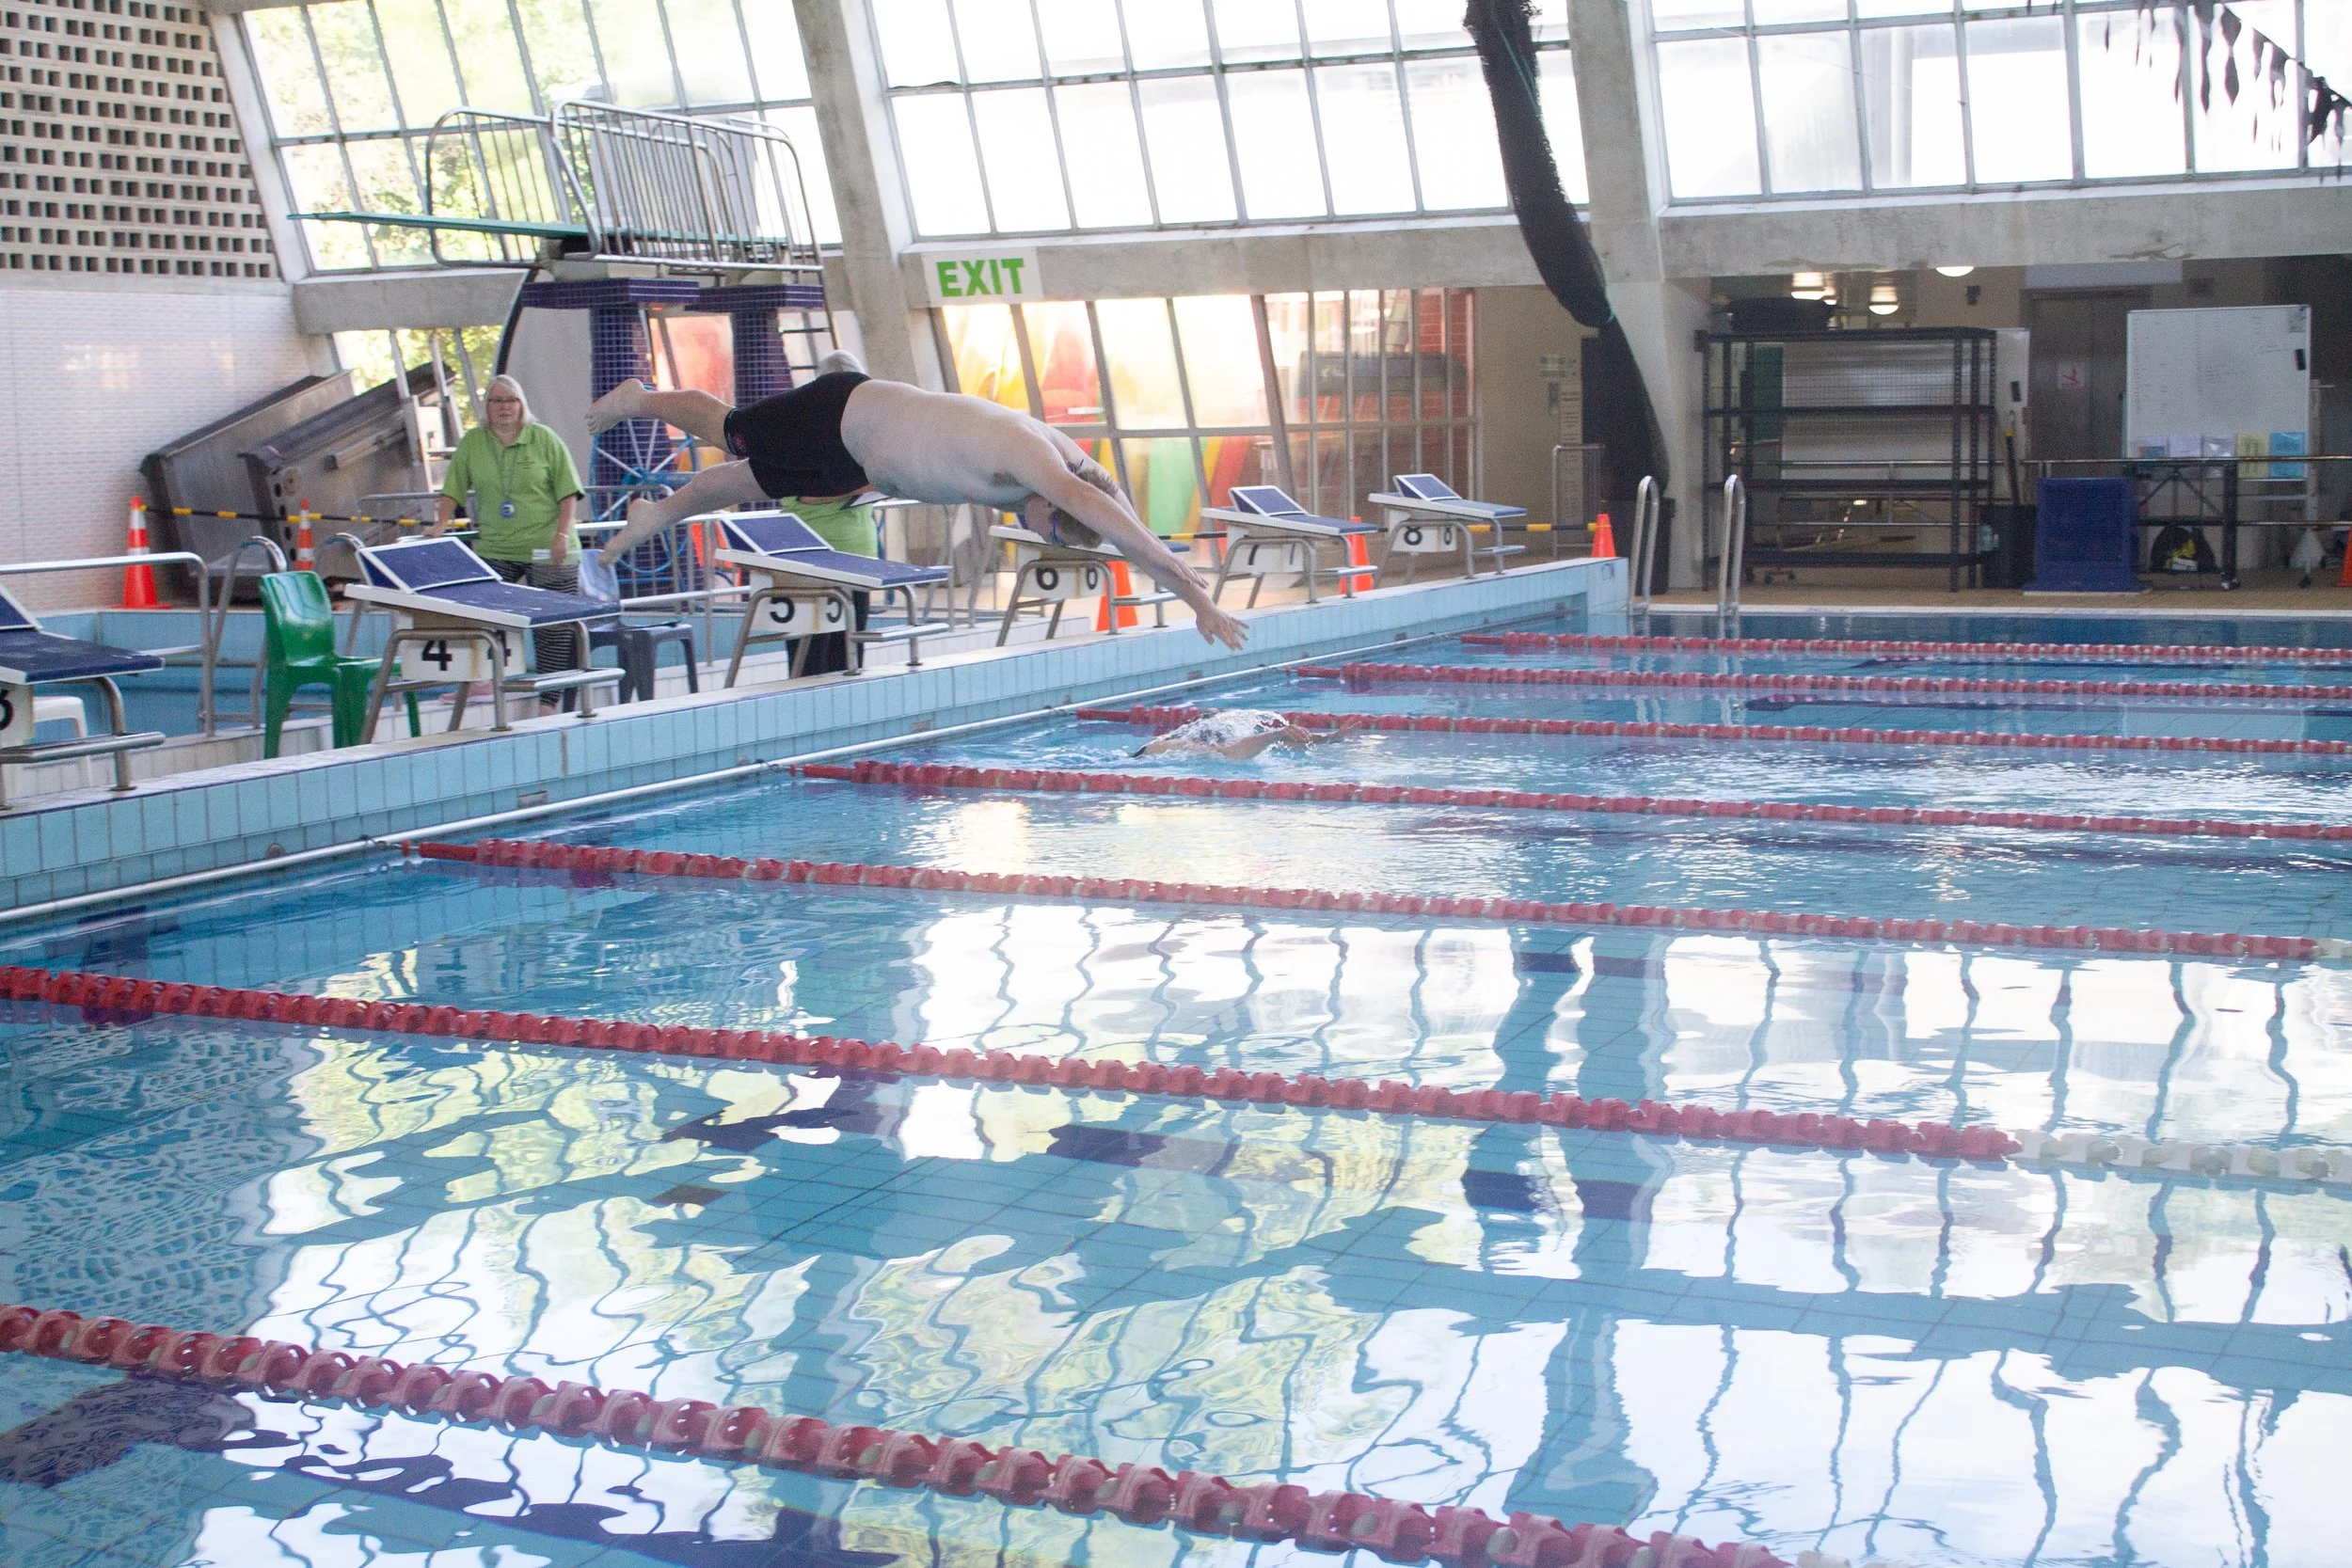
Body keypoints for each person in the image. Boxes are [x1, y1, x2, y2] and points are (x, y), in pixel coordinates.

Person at [583, 351, 1248, 650]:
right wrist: (1199, 591)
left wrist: (1194, 599)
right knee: (730, 434)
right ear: (1056, 504)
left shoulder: (1066, 471)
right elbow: (1117, 525)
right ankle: (641, 395)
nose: (1039, 527)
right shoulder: (1037, 461)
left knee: (738, 485)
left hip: (856, 457)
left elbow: (1116, 516)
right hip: (840, 417)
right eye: (1053, 528)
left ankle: (659, 514)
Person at [431, 374, 588, 707]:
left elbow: (568, 492)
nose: (504, 408)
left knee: (552, 627)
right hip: (497, 546)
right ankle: (480, 682)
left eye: (511, 400)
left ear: (522, 405)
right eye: (497, 401)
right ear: (487, 407)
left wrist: (562, 535)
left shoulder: (544, 439)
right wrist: (440, 524)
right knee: (477, 611)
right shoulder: (474, 442)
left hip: (549, 547)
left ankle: (549, 700)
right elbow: (452, 488)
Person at [1136, 709, 1359, 761]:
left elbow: (1290, 744)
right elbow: (1230, 753)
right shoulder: (1173, 746)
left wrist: (1330, 738)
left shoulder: (1214, 744)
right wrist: (1275, 734)